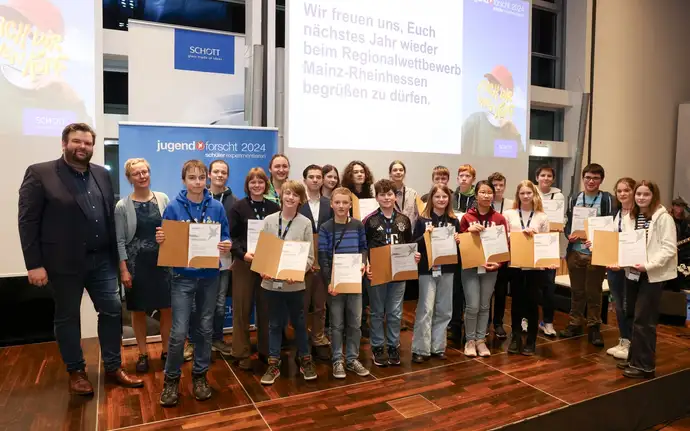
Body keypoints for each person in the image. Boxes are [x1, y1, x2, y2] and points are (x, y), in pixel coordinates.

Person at [18, 123, 144, 395]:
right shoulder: (40, 173)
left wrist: (118, 261)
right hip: (63, 263)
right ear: (64, 143)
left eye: (87, 143)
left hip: (102, 261)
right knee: (67, 317)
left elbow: (108, 216)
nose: (82, 147)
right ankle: (76, 371)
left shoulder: (100, 173)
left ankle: (113, 366)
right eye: (77, 142)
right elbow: (28, 221)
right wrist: (33, 263)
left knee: (111, 311)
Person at [156, 160, 231, 407]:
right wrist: (161, 238)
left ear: (207, 179)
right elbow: (165, 238)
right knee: (178, 333)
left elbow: (226, 236)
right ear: (184, 180)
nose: (197, 182)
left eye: (201, 178)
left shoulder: (217, 207)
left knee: (205, 329)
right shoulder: (174, 207)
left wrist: (226, 244)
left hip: (210, 277)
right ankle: (171, 379)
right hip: (182, 278)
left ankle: (200, 376)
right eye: (192, 177)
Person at [615, 181, 677, 379]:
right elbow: (624, 242)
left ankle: (645, 366)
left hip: (652, 275)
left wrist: (648, 265)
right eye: (639, 194)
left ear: (654, 196)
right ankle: (634, 358)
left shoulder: (663, 218)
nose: (641, 198)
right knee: (632, 316)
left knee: (645, 320)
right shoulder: (631, 216)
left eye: (646, 194)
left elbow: (669, 249)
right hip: (632, 273)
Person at [115, 158, 172, 373]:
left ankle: (166, 351)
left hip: (163, 264)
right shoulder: (122, 206)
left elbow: (172, 229)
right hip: (136, 265)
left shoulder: (163, 199)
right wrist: (123, 269)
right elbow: (120, 240)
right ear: (129, 178)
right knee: (138, 311)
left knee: (167, 309)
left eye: (145, 171)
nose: (142, 176)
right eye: (136, 173)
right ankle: (142, 354)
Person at [259, 180, 317, 385]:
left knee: (299, 323)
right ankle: (273, 364)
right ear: (282, 195)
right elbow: (263, 251)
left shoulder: (305, 223)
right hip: (271, 283)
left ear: (301, 200)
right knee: (274, 324)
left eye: (295, 195)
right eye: (288, 193)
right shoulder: (268, 220)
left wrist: (299, 271)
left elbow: (310, 256)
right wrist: (264, 269)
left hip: (295, 283)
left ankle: (305, 360)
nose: (291, 198)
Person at [365, 179, 421, 366]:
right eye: (382, 194)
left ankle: (393, 345)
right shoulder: (369, 220)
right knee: (377, 312)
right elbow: (364, 247)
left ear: (394, 196)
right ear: (377, 197)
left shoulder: (403, 219)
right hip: (378, 273)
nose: (387, 197)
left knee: (396, 312)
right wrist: (367, 265)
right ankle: (378, 347)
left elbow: (408, 245)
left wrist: (414, 257)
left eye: (390, 194)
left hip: (399, 273)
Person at [228, 168, 280, 370]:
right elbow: (230, 237)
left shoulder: (274, 207)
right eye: (253, 182)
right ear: (247, 185)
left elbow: (279, 235)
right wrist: (242, 254)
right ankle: (241, 352)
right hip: (244, 263)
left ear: (266, 185)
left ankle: (266, 350)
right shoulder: (238, 207)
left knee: (267, 308)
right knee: (242, 309)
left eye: (260, 182)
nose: (256, 185)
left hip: (268, 262)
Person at [560, 163, 616, 346]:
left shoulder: (608, 200)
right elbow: (567, 221)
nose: (591, 181)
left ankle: (594, 327)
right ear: (583, 179)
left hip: (596, 253)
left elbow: (611, 226)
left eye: (595, 178)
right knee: (577, 291)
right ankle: (575, 323)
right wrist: (568, 234)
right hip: (575, 252)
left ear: (601, 180)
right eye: (588, 178)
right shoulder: (575, 197)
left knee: (594, 292)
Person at [318, 187, 370, 378]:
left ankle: (352, 359)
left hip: (355, 282)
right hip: (335, 284)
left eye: (345, 202)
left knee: (355, 323)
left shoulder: (358, 225)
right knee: (337, 324)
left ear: (350, 205)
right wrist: (328, 283)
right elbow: (323, 258)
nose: (341, 206)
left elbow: (364, 248)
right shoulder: (325, 227)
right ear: (332, 204)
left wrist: (363, 263)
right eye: (337, 202)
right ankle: (338, 360)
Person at [411, 185, 461, 363]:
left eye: (444, 197)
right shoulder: (422, 220)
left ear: (449, 200)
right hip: (427, 269)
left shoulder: (454, 221)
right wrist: (425, 235)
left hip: (447, 269)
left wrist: (458, 241)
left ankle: (438, 347)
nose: (441, 200)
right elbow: (414, 245)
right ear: (431, 199)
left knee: (445, 309)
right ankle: (420, 349)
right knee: (426, 309)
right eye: (437, 197)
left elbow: (460, 249)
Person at [460, 180, 508, 357]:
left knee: (484, 305)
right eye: (483, 192)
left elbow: (505, 245)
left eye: (490, 192)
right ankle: (470, 340)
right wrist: (468, 232)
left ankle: (481, 340)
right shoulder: (466, 218)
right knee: (472, 306)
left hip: (491, 269)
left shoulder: (499, 219)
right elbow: (459, 243)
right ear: (476, 195)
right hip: (471, 268)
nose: (486, 195)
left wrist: (499, 263)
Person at [503, 181, 551, 355]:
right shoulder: (508, 214)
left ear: (534, 194)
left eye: (528, 193)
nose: (525, 196)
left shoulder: (541, 217)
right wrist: (518, 234)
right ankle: (515, 337)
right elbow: (503, 235)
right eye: (522, 193)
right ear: (518, 195)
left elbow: (547, 241)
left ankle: (531, 340)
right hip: (515, 264)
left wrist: (536, 235)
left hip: (535, 267)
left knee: (532, 303)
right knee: (516, 302)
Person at [299, 164, 333, 360]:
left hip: (324, 259)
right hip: (302, 260)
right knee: (302, 304)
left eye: (318, 177)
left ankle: (318, 337)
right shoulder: (297, 203)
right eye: (310, 176)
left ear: (322, 180)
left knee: (320, 304)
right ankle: (302, 338)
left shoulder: (330, 204)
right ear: (304, 180)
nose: (314, 180)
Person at [461, 65, 524, 158]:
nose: (492, 90)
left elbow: (519, 160)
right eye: (490, 85)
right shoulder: (473, 122)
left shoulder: (512, 131)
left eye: (497, 86)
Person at [606, 178, 636, 360]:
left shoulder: (640, 215)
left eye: (627, 190)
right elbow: (610, 238)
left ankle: (632, 342)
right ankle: (623, 340)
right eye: (619, 191)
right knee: (618, 306)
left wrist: (623, 262)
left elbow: (636, 244)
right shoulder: (616, 212)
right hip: (613, 266)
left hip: (630, 268)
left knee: (629, 306)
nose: (623, 194)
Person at [534, 165, 565, 337]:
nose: (546, 178)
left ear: (553, 179)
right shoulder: (530, 193)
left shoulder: (558, 196)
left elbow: (562, 218)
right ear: (537, 177)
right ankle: (527, 319)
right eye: (542, 175)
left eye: (549, 176)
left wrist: (562, 224)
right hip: (533, 245)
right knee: (531, 287)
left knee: (549, 288)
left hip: (551, 246)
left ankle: (548, 322)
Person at [487, 172, 513, 338]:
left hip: (504, 252)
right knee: (486, 291)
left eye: (501, 185)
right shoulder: (483, 204)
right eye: (494, 185)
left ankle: (498, 323)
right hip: (486, 252)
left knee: (501, 290)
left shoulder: (511, 204)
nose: (498, 188)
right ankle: (486, 322)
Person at [389, 160, 420, 226]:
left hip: (410, 233)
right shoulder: (385, 195)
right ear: (390, 174)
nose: (398, 172)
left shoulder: (413, 193)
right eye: (395, 170)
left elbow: (418, 216)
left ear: (404, 173)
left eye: (401, 170)